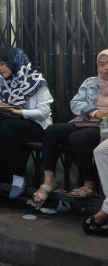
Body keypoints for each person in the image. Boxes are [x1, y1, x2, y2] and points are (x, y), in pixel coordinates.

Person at [32, 50, 108, 206]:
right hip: (84, 121)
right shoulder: (90, 83)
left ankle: (89, 184)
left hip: (104, 127)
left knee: (77, 139)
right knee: (52, 131)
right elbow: (75, 103)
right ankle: (49, 181)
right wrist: (94, 111)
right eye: (102, 64)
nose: (106, 68)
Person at [0, 47, 52, 199]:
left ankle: (19, 174)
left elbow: (44, 113)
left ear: (14, 62)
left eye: (3, 64)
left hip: (37, 126)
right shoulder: (8, 83)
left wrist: (17, 112)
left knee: (7, 125)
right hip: (13, 122)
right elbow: (5, 108)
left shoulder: (36, 81)